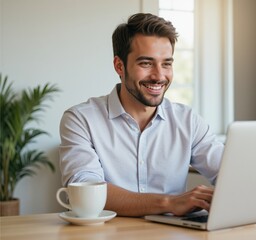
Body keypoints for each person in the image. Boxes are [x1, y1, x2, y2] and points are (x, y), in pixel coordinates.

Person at [59, 13, 224, 217]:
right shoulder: (80, 120)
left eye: (166, 63)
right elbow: (87, 191)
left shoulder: (187, 121)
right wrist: (170, 202)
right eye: (146, 63)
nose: (159, 76)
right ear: (119, 66)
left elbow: (229, 173)